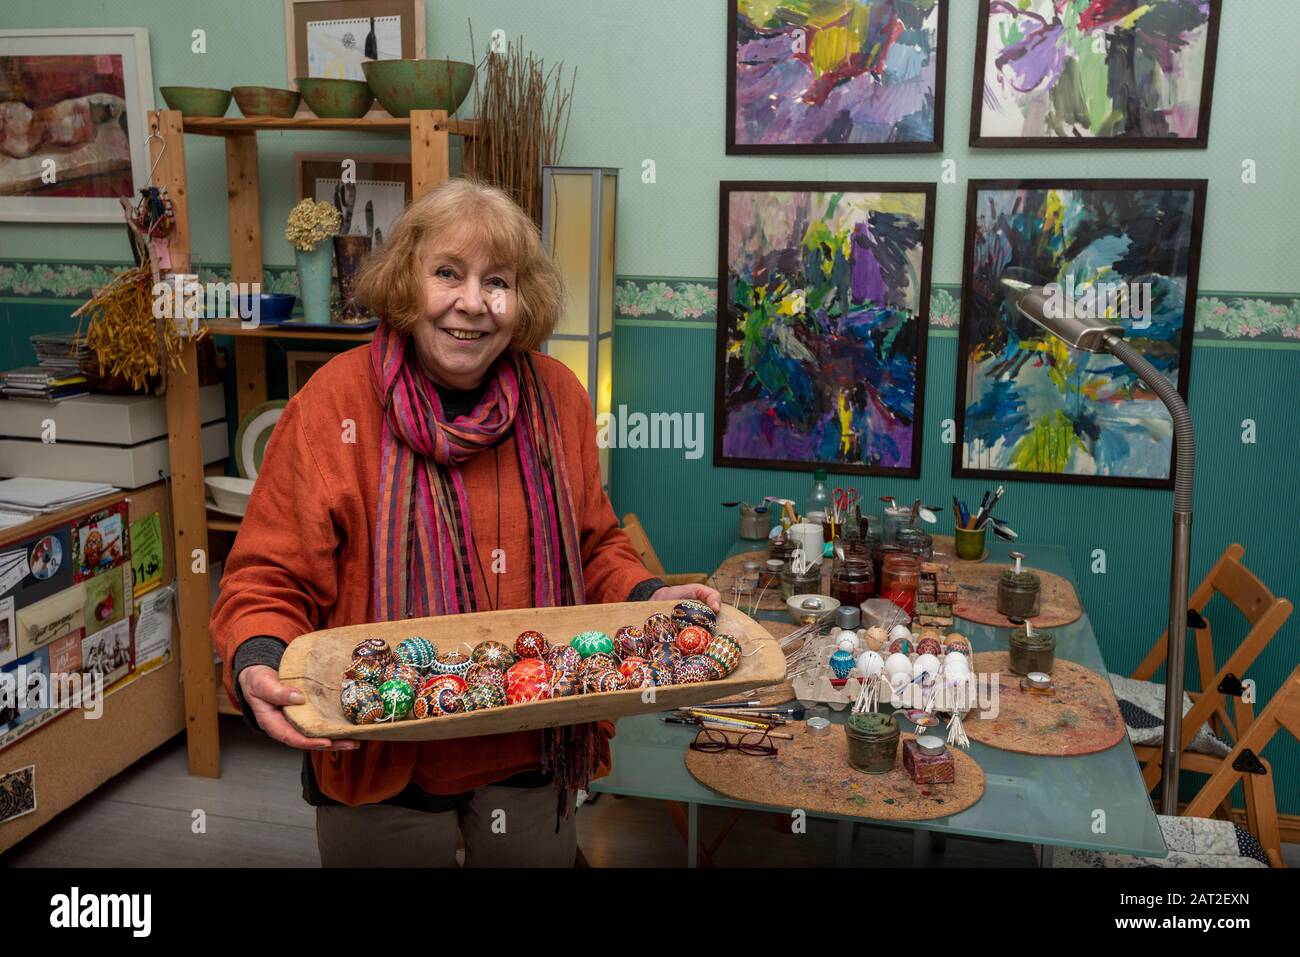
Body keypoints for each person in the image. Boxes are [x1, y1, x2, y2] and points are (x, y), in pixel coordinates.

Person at [210, 178, 719, 867]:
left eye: (498, 281)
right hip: (383, 751)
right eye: (448, 273)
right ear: (404, 279)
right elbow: (269, 575)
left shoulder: (557, 397)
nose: (472, 303)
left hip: (532, 737)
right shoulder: (334, 402)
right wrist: (257, 658)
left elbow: (595, 544)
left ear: (522, 300)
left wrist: (648, 597)